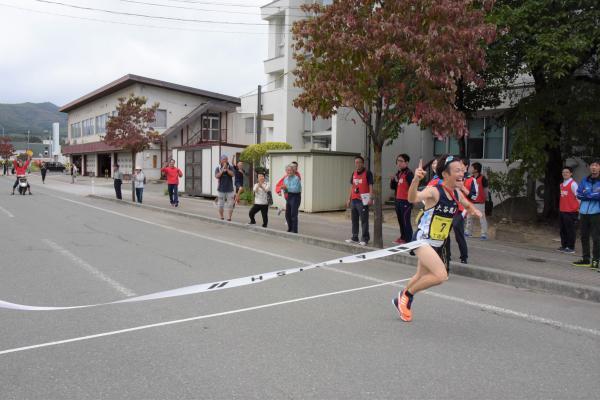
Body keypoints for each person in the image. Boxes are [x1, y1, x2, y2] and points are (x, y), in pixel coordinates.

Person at [392, 155, 482, 322]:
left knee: (420, 275)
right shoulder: (434, 191)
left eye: (462, 170)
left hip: (437, 242)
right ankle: (407, 295)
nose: (461, 173)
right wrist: (415, 181)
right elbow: (412, 198)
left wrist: (473, 210)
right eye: (457, 170)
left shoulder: (456, 193)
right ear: (445, 174)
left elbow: (467, 203)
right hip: (422, 240)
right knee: (441, 275)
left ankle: (400, 300)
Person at [572, 160, 600, 269]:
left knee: (596, 238)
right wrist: (592, 195)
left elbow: (598, 197)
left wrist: (587, 194)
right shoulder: (585, 180)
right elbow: (579, 194)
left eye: (596, 165)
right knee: (584, 236)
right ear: (589, 168)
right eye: (592, 165)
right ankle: (585, 259)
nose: (594, 167)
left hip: (596, 213)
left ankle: (596, 261)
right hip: (583, 213)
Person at [346, 155, 373, 246]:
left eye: (359, 162)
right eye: (356, 162)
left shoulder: (368, 173)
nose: (357, 164)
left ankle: (365, 238)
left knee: (364, 220)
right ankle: (355, 237)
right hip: (354, 199)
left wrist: (370, 198)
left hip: (363, 200)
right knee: (354, 219)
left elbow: (370, 186)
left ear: (362, 163)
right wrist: (349, 198)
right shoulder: (353, 173)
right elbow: (351, 186)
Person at [390, 154, 414, 244]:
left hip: (406, 201)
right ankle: (403, 237)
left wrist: (412, 199)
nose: (398, 163)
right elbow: (394, 187)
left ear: (406, 163)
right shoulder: (399, 173)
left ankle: (409, 240)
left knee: (405, 220)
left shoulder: (409, 173)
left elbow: (413, 187)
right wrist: (392, 180)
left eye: (401, 161)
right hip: (398, 200)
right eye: (397, 161)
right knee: (400, 220)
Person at [465, 162, 489, 240]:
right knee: (469, 217)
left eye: (472, 168)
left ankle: (484, 234)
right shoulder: (470, 178)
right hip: (471, 202)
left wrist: (485, 198)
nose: (470, 169)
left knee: (481, 218)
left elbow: (486, 190)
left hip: (480, 202)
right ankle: (468, 232)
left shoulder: (483, 178)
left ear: (476, 169)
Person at [558, 166, 579, 254]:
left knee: (570, 230)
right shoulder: (561, 185)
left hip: (571, 211)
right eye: (563, 172)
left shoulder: (573, 184)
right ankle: (564, 245)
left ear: (571, 174)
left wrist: (577, 208)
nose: (565, 174)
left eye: (567, 172)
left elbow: (579, 197)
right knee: (563, 229)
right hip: (562, 210)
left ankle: (571, 247)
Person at [282, 164, 302, 233]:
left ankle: (294, 230)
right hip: (289, 196)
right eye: (287, 170)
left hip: (295, 196)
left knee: (293, 214)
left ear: (293, 171)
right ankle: (290, 228)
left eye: (290, 170)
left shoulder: (296, 178)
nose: (289, 172)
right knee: (287, 214)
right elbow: (286, 190)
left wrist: (287, 188)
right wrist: (284, 189)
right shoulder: (285, 179)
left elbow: (296, 189)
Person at [215, 154, 235, 220]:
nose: (225, 161)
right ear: (221, 160)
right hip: (221, 189)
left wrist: (227, 170)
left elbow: (233, 174)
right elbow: (217, 176)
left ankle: (229, 218)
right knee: (220, 204)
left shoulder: (230, 167)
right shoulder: (218, 168)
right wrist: (222, 170)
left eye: (226, 159)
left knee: (230, 205)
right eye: (223, 159)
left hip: (230, 189)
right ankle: (222, 217)